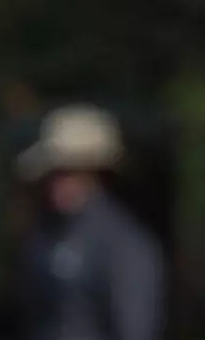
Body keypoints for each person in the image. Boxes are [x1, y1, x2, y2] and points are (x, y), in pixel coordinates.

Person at [16, 105, 165, 340]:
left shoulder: (125, 245)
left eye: (68, 171)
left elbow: (136, 329)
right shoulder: (46, 235)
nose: (57, 182)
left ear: (95, 172)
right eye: (53, 172)